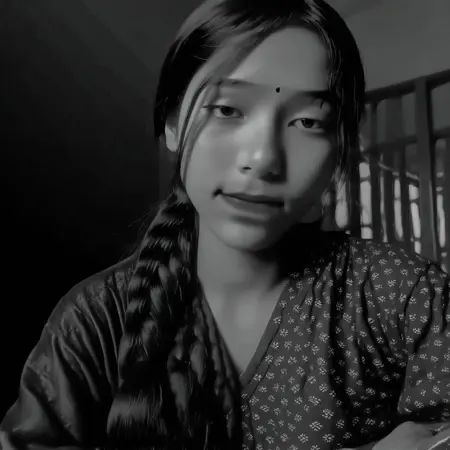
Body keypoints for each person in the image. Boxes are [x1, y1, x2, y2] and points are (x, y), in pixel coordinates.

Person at [1, 0, 450, 449]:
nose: (263, 158)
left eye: (308, 121)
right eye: (228, 110)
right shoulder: (95, 321)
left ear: (339, 149)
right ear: (173, 123)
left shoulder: (400, 294)